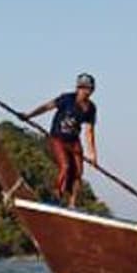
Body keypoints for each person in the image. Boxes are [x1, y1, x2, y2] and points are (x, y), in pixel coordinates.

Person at [23, 73, 98, 208]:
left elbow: (89, 132)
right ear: (78, 88)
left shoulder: (91, 108)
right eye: (83, 88)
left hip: (74, 141)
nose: (85, 92)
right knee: (66, 166)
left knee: (78, 172)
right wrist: (29, 115)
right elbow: (46, 107)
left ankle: (72, 203)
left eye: (88, 89)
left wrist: (92, 154)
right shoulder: (66, 99)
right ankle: (57, 194)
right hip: (58, 138)